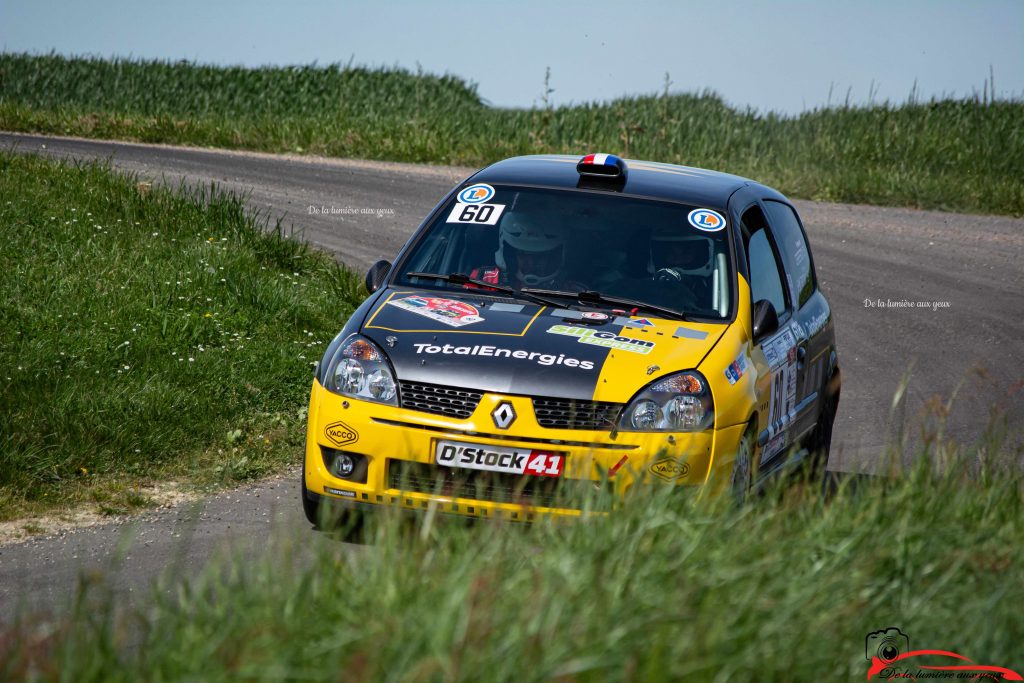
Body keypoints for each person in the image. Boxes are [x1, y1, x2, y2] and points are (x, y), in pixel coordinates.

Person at [468, 212, 582, 290]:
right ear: (511, 254)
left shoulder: (573, 291)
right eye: (523, 254)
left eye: (541, 255)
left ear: (555, 255)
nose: (531, 262)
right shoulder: (482, 279)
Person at [648, 227, 713, 304]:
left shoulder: (712, 286)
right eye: (670, 252)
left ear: (699, 253)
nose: (677, 258)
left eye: (685, 252)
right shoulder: (651, 282)